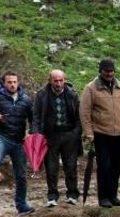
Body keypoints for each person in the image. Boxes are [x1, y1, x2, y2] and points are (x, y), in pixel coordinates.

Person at [80, 58, 120, 208]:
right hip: (100, 133)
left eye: (111, 71)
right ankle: (103, 198)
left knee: (116, 166)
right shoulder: (90, 88)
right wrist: (89, 133)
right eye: (106, 71)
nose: (109, 74)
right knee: (104, 166)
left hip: (118, 133)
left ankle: (113, 196)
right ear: (100, 71)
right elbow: (84, 112)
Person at [0, 71, 35, 215]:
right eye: (9, 82)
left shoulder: (26, 100)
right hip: (0, 137)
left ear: (18, 82)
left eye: (14, 82)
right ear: (4, 83)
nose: (12, 85)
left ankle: (22, 205)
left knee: (21, 174)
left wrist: (31, 132)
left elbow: (33, 119)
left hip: (19, 141)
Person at [33, 69, 82, 207]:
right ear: (50, 81)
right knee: (51, 168)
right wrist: (37, 134)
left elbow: (79, 116)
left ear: (64, 80)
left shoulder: (72, 94)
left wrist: (76, 133)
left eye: (61, 80)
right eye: (56, 81)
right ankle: (52, 195)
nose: (59, 83)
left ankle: (72, 194)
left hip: (69, 135)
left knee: (71, 166)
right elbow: (36, 116)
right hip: (50, 136)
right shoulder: (42, 95)